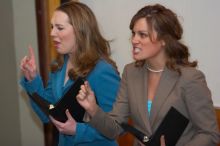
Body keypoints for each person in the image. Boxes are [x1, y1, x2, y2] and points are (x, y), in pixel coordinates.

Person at [76, 4, 220, 146]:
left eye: (142, 35)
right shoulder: (130, 72)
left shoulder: (190, 78)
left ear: (164, 40)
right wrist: (93, 109)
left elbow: (209, 134)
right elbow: (115, 129)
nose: (134, 40)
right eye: (133, 33)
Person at [20, 1, 120, 146]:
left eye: (59, 28)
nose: (52, 33)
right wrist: (32, 79)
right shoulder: (59, 65)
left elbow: (117, 128)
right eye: (52, 27)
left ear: (80, 31)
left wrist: (77, 130)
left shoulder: (102, 71)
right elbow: (48, 113)